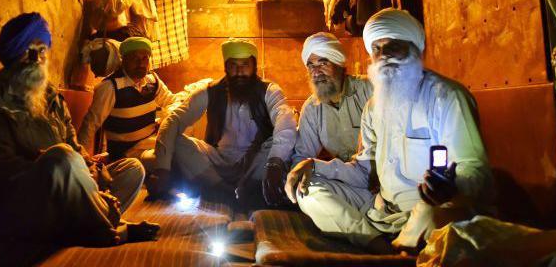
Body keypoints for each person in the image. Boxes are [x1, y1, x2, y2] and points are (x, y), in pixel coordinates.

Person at [285, 9, 491, 252]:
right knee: (307, 190)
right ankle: (374, 241)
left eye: (393, 47)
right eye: (376, 49)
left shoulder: (446, 97)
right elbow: (364, 170)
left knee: (436, 219)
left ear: (415, 49)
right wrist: (313, 165)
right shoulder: (374, 107)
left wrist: (452, 187)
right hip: (382, 210)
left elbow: (477, 172)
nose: (383, 56)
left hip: (428, 208)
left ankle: (390, 244)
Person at [0, 13, 159, 260]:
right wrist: (47, 164)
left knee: (132, 168)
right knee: (62, 158)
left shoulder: (52, 98)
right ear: (13, 56)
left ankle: (87, 221)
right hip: (27, 200)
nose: (39, 60)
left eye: (43, 52)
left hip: (70, 190)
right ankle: (109, 228)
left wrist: (92, 169)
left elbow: (75, 146)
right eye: (31, 52)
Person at [146, 39, 297, 209]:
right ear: (226, 67)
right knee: (179, 141)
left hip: (255, 163)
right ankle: (226, 192)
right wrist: (162, 169)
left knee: (277, 143)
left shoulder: (269, 90)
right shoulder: (209, 91)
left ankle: (245, 188)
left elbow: (285, 120)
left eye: (245, 64)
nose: (240, 71)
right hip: (217, 164)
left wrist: (275, 164)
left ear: (254, 66)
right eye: (233, 65)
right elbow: (173, 121)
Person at [78, 36, 178, 167]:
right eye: (134, 58)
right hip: (126, 157)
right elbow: (90, 123)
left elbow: (173, 102)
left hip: (149, 144)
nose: (141, 64)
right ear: (123, 60)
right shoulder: (110, 87)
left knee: (182, 140)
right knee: (169, 160)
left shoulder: (152, 81)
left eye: (145, 58)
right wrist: (80, 159)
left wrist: (165, 119)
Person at [290, 32, 372, 166]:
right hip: (346, 178)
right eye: (311, 66)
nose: (316, 72)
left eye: (323, 64)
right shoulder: (311, 109)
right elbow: (302, 155)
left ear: (338, 64)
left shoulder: (369, 89)